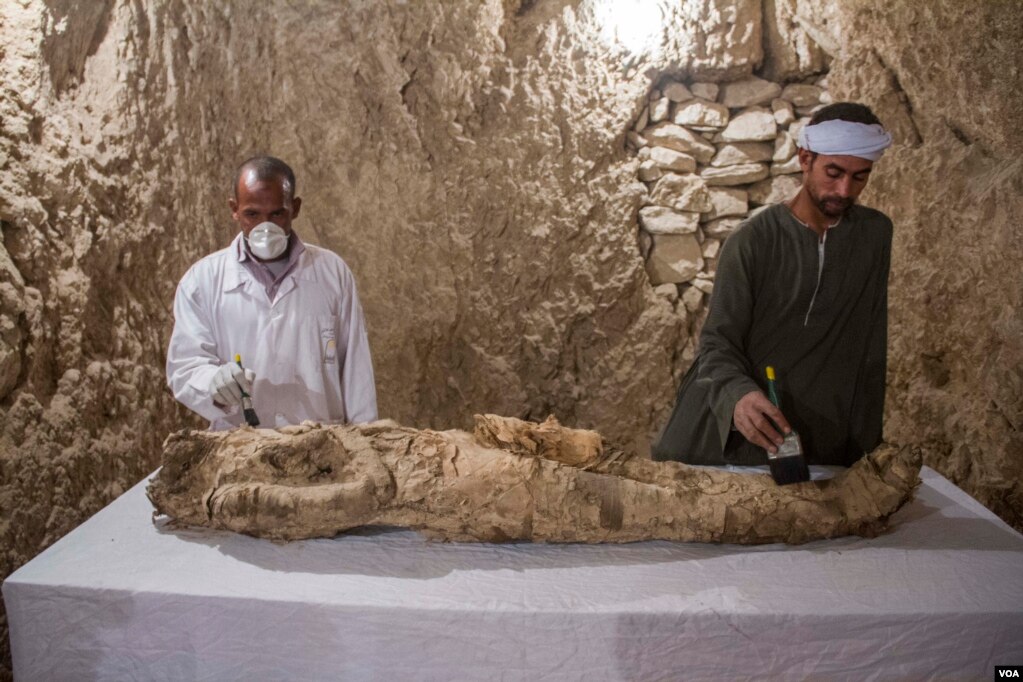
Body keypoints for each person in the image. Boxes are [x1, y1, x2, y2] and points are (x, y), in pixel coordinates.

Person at [653, 102, 894, 466]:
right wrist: (738, 396)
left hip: (821, 441)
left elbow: (868, 348)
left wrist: (865, 449)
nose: (845, 189)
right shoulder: (752, 241)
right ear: (804, 158)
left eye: (860, 176)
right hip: (738, 435)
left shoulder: (874, 234)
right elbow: (718, 341)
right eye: (834, 172)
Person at [167, 156, 377, 430]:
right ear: (234, 209)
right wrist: (214, 383)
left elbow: (355, 369)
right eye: (252, 214)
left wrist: (367, 444)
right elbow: (185, 367)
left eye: (277, 214)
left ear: (295, 208)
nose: (265, 228)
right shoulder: (202, 281)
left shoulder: (331, 273)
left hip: (321, 447)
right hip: (240, 447)